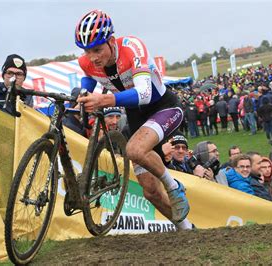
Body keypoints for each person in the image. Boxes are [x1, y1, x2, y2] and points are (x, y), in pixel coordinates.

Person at [75, 10, 192, 230]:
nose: (93, 58)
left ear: (111, 41)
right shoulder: (87, 61)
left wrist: (106, 99)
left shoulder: (132, 48)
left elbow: (145, 93)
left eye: (98, 50)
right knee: (150, 191)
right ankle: (187, 229)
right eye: (88, 51)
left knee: (134, 150)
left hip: (163, 107)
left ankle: (174, 187)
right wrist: (83, 93)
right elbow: (89, 78)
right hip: (137, 115)